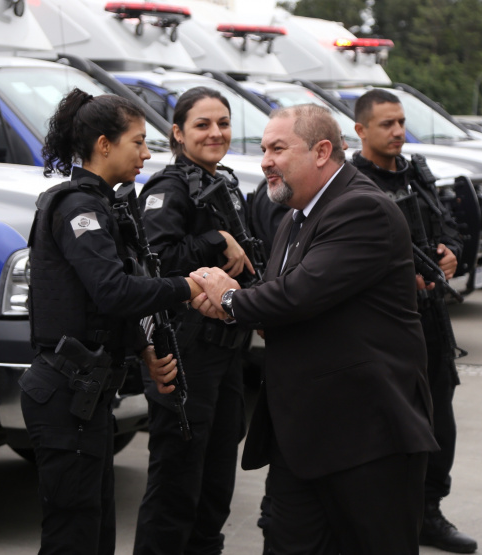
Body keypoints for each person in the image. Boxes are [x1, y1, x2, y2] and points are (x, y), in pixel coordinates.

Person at [180, 104, 439, 555]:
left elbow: (298, 295)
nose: (265, 160)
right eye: (263, 149)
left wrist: (228, 298)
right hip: (302, 440)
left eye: (278, 148)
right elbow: (279, 298)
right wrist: (232, 302)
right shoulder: (295, 216)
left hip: (365, 440)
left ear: (322, 151)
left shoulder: (361, 208)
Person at [20, 88, 203, 555]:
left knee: (95, 534)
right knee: (73, 538)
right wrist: (190, 285)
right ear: (104, 144)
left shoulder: (104, 204)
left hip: (86, 394)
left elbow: (97, 305)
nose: (146, 153)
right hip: (65, 395)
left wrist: (141, 347)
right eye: (138, 142)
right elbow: (113, 290)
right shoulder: (79, 207)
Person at [352, 89, 476, 554]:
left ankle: (429, 512)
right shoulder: (351, 183)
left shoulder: (416, 173)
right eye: (386, 124)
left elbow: (448, 227)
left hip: (432, 322)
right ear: (361, 130)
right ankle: (382, 518)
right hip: (382, 328)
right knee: (384, 428)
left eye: (401, 122)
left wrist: (450, 254)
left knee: (439, 420)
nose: (398, 132)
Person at [133, 87, 251, 555]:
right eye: (202, 125)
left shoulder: (223, 183)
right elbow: (156, 263)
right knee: (176, 486)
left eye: (223, 123)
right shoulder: (170, 187)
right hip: (186, 353)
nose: (216, 133)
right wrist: (215, 239)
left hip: (226, 354)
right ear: (178, 133)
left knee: (217, 483)